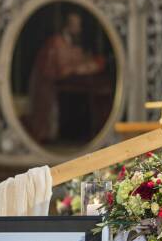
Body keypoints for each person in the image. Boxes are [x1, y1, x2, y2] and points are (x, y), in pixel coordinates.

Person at [27, 11, 106, 144]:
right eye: (76, 26)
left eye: (79, 26)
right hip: (48, 85)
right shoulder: (57, 42)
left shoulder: (69, 41)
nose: (79, 29)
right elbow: (62, 67)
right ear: (68, 26)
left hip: (63, 84)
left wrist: (87, 64)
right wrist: (82, 67)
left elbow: (77, 59)